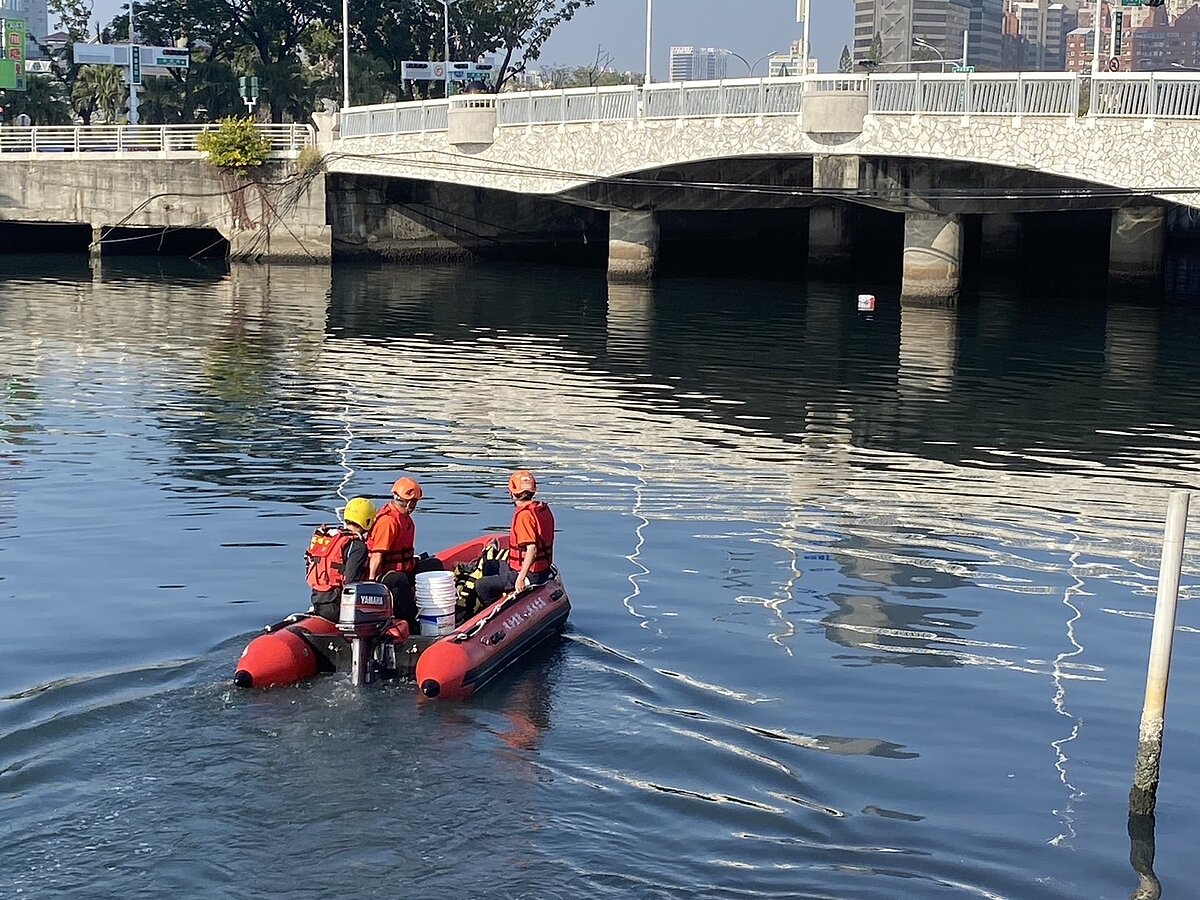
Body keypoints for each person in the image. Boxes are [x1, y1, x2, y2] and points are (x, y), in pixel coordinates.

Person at [367, 476, 441, 629]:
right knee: (398, 581)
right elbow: (377, 555)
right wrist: (371, 582)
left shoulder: (405, 519)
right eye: (413, 501)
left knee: (433, 565)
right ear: (407, 501)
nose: (414, 505)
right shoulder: (388, 522)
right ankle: (412, 622)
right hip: (387, 575)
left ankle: (434, 608)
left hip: (404, 568)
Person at [475, 470, 556, 608]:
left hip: (532, 574)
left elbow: (532, 549)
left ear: (511, 493)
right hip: (541, 570)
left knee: (482, 586)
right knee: (490, 565)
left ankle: (494, 610)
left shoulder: (524, 516)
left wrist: (521, 578)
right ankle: (502, 593)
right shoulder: (540, 508)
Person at [304, 496, 376, 622]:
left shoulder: (330, 538)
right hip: (336, 607)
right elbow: (351, 582)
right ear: (368, 521)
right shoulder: (358, 546)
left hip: (317, 600)